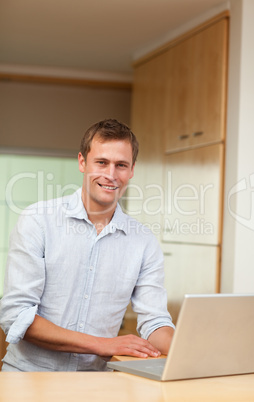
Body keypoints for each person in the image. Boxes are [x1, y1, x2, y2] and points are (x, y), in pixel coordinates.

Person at [0, 118, 175, 372]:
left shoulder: (144, 242)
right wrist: (103, 344)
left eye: (121, 165)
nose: (111, 175)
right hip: (28, 378)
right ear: (82, 162)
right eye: (102, 162)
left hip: (95, 384)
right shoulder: (38, 221)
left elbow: (155, 321)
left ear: (132, 169)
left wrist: (190, 350)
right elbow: (17, 315)